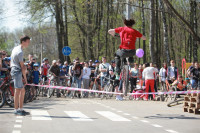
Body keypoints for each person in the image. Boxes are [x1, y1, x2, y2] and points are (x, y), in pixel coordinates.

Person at [10, 35, 31, 116]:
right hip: (17, 71)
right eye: (27, 42)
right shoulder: (20, 52)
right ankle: (16, 110)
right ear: (23, 42)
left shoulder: (16, 48)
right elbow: (22, 67)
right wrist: (25, 79)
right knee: (18, 90)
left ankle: (20, 109)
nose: (28, 43)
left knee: (22, 90)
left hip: (15, 70)